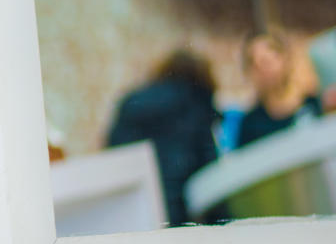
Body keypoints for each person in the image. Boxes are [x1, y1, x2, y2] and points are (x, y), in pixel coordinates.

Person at [108, 50, 220, 226]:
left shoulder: (132, 102)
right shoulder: (196, 103)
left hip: (134, 212)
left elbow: (112, 156)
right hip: (178, 214)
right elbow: (210, 172)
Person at [238, 31, 322, 148]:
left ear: (285, 58)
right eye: (255, 65)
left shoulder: (315, 105)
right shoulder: (250, 126)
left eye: (266, 61)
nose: (264, 71)